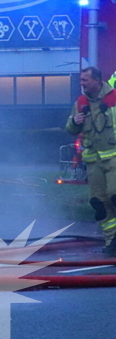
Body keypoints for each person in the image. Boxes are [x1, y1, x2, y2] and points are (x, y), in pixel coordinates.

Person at [67, 66, 116, 255]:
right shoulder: (80, 102)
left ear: (97, 80)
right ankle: (112, 241)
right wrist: (74, 122)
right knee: (99, 202)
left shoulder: (114, 98)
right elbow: (70, 128)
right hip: (93, 162)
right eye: (81, 80)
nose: (82, 83)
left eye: (85, 80)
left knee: (114, 195)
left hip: (114, 157)